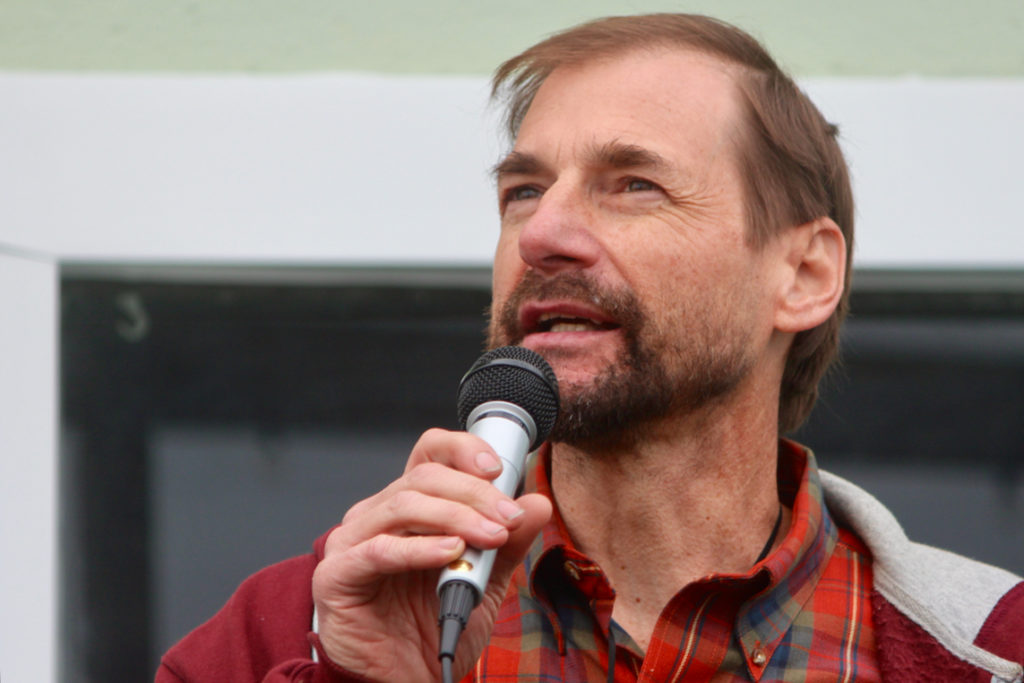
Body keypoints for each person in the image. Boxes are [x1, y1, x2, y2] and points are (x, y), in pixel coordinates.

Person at [157, 13, 1024, 683]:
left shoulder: (994, 645)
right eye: (523, 189)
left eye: (634, 185)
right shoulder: (288, 630)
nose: (544, 233)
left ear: (802, 272)